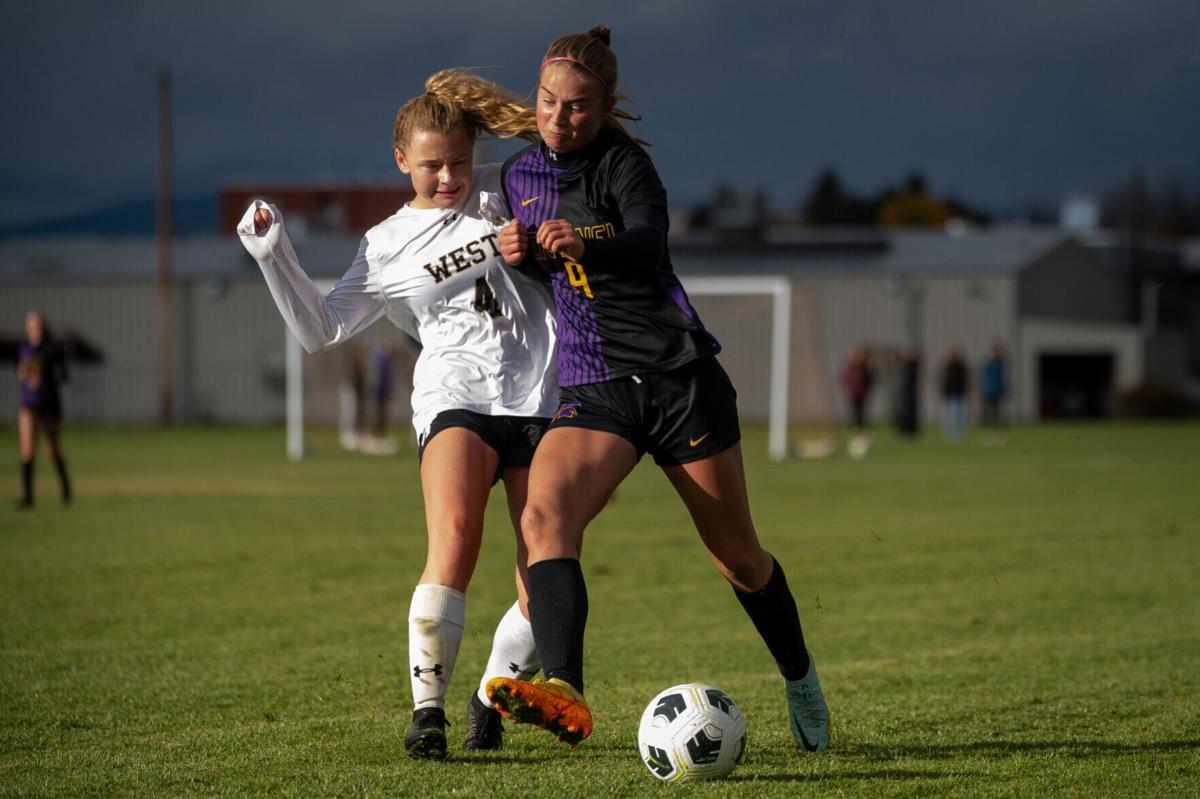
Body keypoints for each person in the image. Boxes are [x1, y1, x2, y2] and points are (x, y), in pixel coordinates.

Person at [484, 26, 830, 752]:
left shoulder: (627, 169)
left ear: (606, 108)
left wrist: (586, 242)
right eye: (548, 100)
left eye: (578, 106)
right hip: (595, 387)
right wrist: (520, 257)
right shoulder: (519, 176)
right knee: (543, 518)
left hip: (678, 381)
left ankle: (799, 675)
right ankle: (566, 689)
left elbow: (646, 243)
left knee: (737, 555)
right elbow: (554, 278)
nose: (559, 116)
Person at [236, 70, 557, 760]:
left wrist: (495, 105)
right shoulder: (384, 244)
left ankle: (492, 692)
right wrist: (272, 253)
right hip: (454, 397)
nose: (448, 177)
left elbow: (565, 138)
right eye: (432, 164)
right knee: (456, 539)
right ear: (400, 159)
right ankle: (429, 711)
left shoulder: (508, 185)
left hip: (540, 399)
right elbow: (321, 328)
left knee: (548, 571)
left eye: (459, 161)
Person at [16, 310, 72, 509]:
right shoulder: (24, 349)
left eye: (38, 324)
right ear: (27, 327)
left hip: (49, 403)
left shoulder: (53, 350)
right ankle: (28, 496)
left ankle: (66, 490)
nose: (35, 328)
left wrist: (46, 377)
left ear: (44, 326)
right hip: (29, 403)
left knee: (52, 449)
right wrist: (24, 374)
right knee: (28, 450)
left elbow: (64, 376)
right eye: (31, 324)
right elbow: (22, 373)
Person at [840, 343, 874, 458]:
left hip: (862, 393)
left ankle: (861, 432)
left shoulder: (864, 367)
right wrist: (847, 387)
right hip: (853, 392)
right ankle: (856, 431)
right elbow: (846, 377)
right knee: (855, 412)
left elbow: (870, 378)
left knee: (861, 412)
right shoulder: (851, 366)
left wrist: (868, 388)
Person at [980, 341, 1008, 444]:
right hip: (989, 391)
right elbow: (984, 377)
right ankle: (989, 433)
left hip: (997, 391)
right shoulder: (988, 364)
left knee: (997, 413)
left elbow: (1002, 377)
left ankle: (997, 433)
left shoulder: (1000, 363)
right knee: (989, 413)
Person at [940, 346, 969, 441]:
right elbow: (944, 382)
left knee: (961, 416)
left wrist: (966, 392)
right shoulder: (947, 367)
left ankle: (961, 434)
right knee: (951, 416)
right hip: (950, 394)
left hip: (960, 394)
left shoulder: (961, 366)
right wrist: (944, 392)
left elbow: (965, 381)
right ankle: (951, 435)